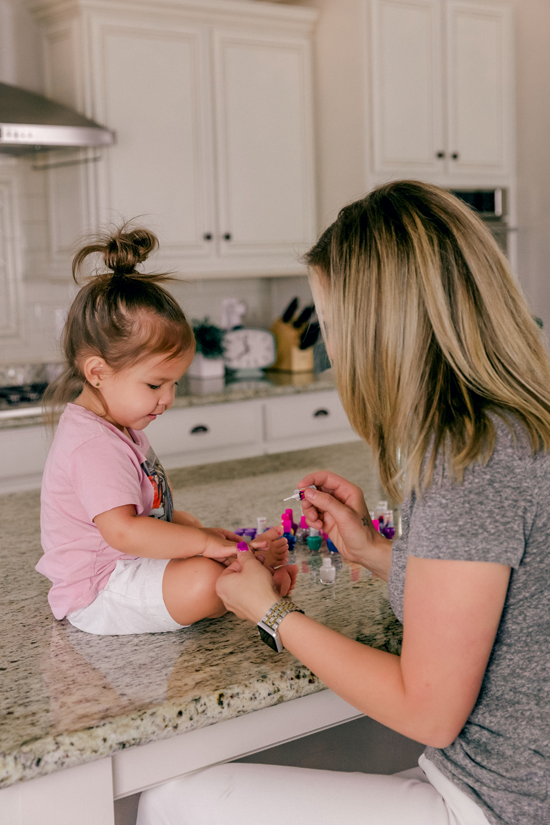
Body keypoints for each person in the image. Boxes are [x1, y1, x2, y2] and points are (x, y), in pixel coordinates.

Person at [137, 181, 550, 825]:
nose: (333, 350)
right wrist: (376, 552)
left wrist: (269, 612)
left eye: (332, 326)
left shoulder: (470, 458)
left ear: (380, 329)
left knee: (171, 801)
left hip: (498, 808)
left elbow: (428, 712)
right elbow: (500, 595)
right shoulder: (516, 425)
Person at [37, 225, 291, 636]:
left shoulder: (119, 424)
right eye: (155, 384)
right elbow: (124, 531)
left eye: (174, 384)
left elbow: (152, 515)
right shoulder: (91, 444)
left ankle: (246, 579)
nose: (168, 398)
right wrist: (206, 547)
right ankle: (244, 589)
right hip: (102, 589)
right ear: (98, 373)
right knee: (203, 579)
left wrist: (207, 536)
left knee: (200, 543)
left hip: (132, 563)